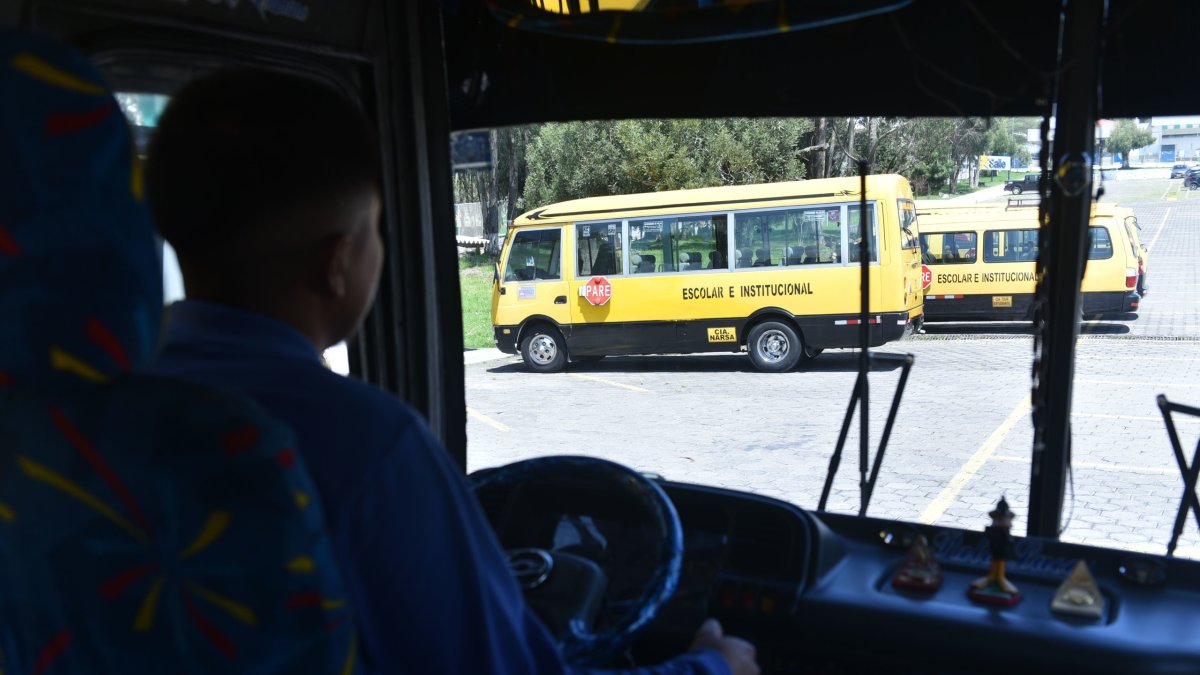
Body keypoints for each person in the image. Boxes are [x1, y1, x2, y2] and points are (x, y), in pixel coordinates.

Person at [145, 69, 759, 675]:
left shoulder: (105, 405)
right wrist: (712, 665)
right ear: (337, 264)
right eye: (378, 231)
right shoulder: (370, 446)